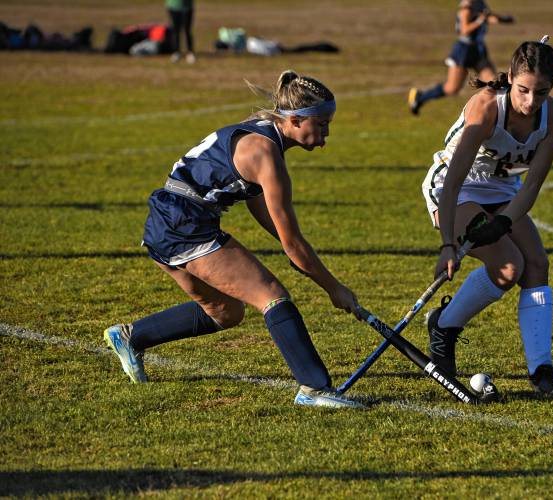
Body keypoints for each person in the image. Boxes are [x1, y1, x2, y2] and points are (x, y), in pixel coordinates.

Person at [104, 70, 364, 409]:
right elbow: (294, 245)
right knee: (272, 296)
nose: (327, 134)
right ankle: (314, 389)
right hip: (185, 225)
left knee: (224, 312)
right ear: (297, 120)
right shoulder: (265, 155)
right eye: (323, 124)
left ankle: (130, 336)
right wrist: (334, 288)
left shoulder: (261, 131)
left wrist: (290, 245)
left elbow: (259, 205)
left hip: (167, 220)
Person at [420, 37, 553, 396]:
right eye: (523, 90)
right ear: (510, 78)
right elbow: (454, 178)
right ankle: (445, 327)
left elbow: (531, 186)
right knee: (508, 267)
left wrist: (503, 222)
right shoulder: (486, 106)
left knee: (536, 264)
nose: (531, 102)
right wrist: (446, 244)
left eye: (542, 93)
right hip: (456, 187)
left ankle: (541, 370)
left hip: (503, 193)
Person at [408, 0, 512, 115]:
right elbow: (464, 30)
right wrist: (480, 20)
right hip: (463, 51)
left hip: (477, 50)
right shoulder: (466, 8)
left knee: (493, 81)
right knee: (452, 88)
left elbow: (488, 17)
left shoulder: (480, 3)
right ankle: (420, 97)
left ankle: (498, 114)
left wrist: (502, 19)